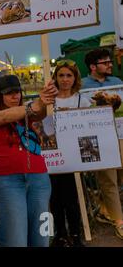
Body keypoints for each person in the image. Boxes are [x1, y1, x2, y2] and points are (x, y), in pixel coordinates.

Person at [0, 74, 58, 247]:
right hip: (9, 181)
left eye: (17, 91)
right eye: (9, 93)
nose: (14, 96)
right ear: (0, 95)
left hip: (39, 179)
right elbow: (2, 118)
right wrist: (37, 104)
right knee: (15, 239)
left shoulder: (31, 113)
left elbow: (41, 111)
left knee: (41, 237)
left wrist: (48, 95)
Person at [48, 60, 91, 247]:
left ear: (75, 78)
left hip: (75, 156)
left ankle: (75, 234)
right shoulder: (49, 101)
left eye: (69, 75)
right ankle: (60, 234)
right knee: (55, 198)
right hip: (54, 156)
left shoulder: (83, 100)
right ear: (55, 78)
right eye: (61, 75)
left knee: (73, 197)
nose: (65, 79)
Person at [81, 49, 123, 240]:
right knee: (108, 180)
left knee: (119, 176)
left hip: (120, 135)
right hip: (96, 138)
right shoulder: (82, 86)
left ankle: (105, 208)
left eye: (110, 62)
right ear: (93, 66)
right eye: (105, 62)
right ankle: (119, 222)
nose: (110, 65)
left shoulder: (117, 83)